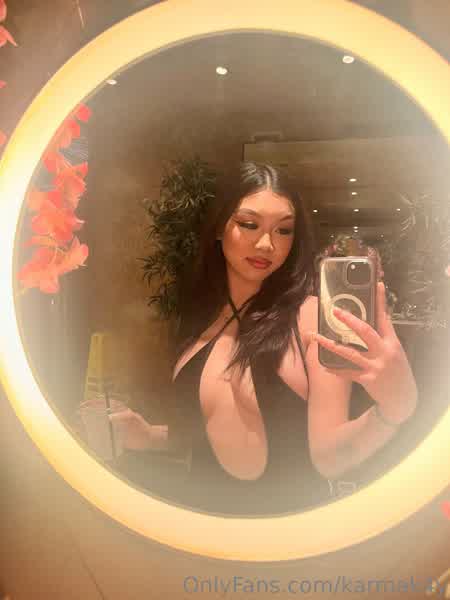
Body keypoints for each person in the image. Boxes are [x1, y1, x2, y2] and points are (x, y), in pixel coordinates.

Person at [106, 162, 418, 515]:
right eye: (249, 224)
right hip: (200, 524)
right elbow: (208, 429)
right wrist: (148, 435)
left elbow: (331, 457)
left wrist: (396, 410)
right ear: (219, 228)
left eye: (284, 230)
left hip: (287, 533)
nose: (267, 243)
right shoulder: (198, 318)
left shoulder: (311, 319)